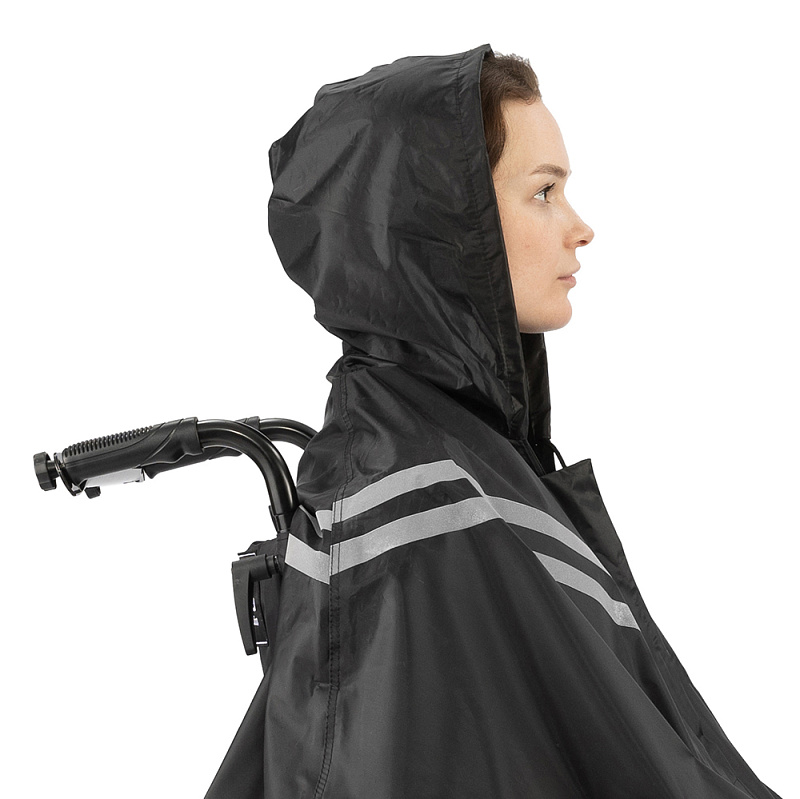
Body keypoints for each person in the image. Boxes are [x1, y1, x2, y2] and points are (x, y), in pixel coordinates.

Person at [206, 44, 782, 798]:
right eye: (544, 192)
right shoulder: (420, 503)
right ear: (447, 225)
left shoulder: (467, 460)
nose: (580, 227)